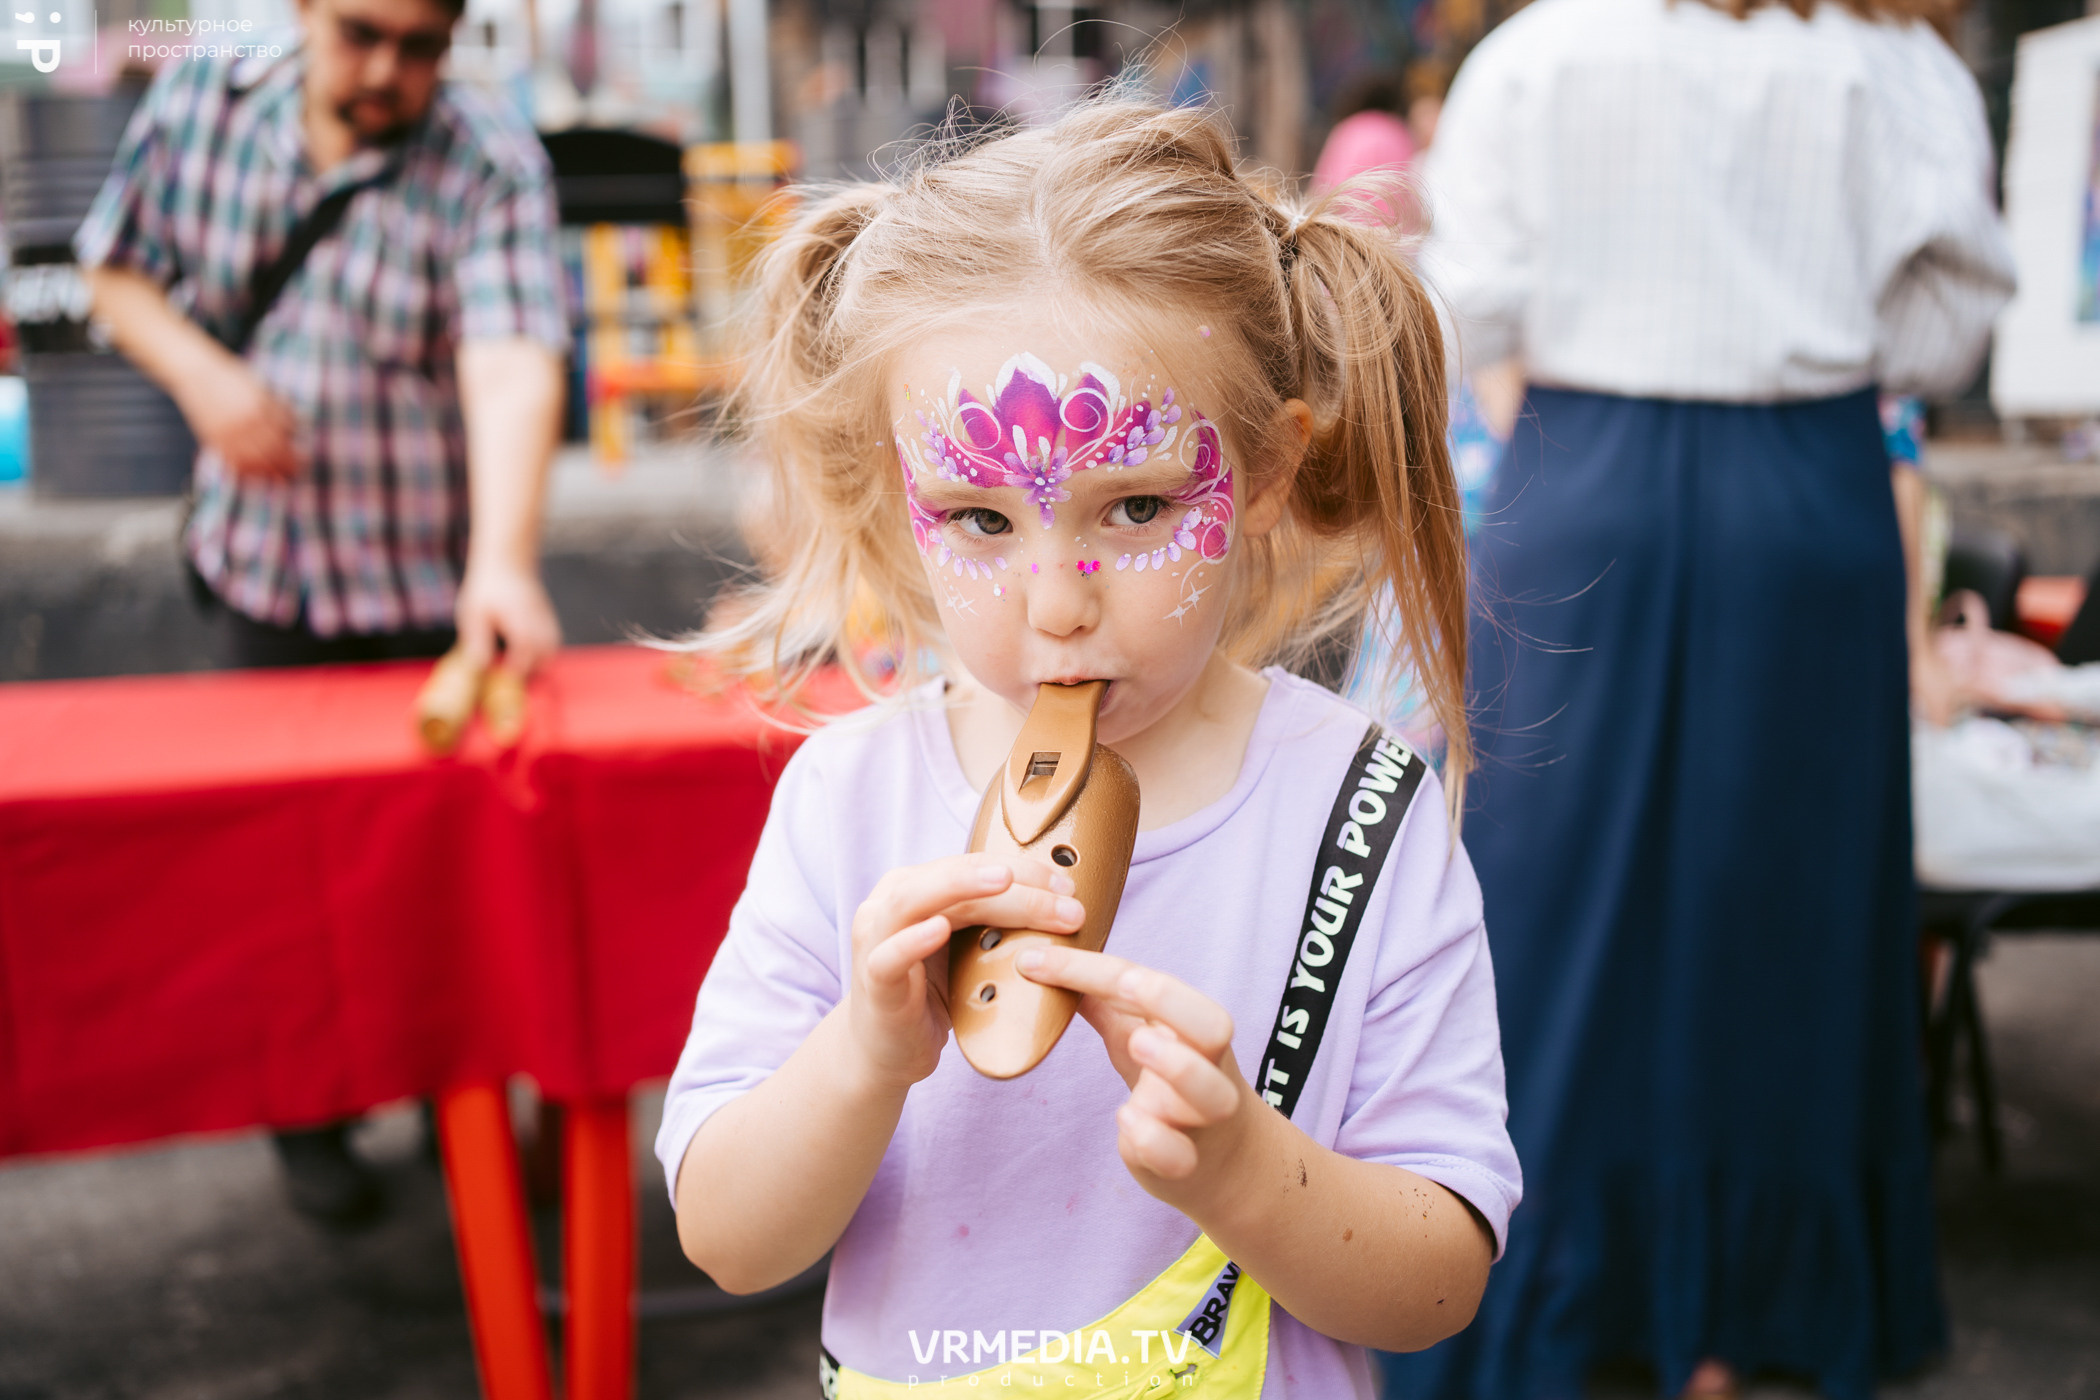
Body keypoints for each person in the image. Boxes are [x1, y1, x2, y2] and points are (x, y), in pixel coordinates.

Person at [653, 99, 1521, 1397]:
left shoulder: (1361, 810)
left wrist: (1243, 1168)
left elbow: (1440, 1282)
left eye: (1134, 506)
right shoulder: (854, 799)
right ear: (899, 487)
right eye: (980, 518)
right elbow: (725, 1235)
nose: (1057, 600)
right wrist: (867, 1056)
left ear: (1267, 472)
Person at [1381, 0, 2015, 1396]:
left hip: (1587, 479)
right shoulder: (1893, 63)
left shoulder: (1538, 55)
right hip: (1811, 494)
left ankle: (1539, 1284)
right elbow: (1947, 320)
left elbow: (1470, 302)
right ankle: (1753, 1306)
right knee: (1791, 916)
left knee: (1549, 916)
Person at [76, 0, 570, 1223]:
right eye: (362, 33)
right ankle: (311, 1114)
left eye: (423, 45)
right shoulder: (202, 98)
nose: (388, 71)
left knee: (448, 882)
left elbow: (512, 357)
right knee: (283, 878)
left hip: (430, 594)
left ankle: (473, 1112)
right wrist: (202, 373)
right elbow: (115, 267)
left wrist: (503, 561)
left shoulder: (488, 152)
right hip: (266, 572)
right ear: (301, 8)